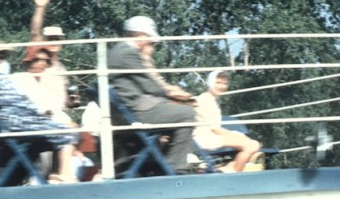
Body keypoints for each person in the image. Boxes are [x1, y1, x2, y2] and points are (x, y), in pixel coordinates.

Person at [0, 7, 79, 183]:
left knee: (65, 131)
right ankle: (64, 175)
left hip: (25, 117)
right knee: (64, 132)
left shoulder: (4, 78)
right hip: (16, 121)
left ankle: (60, 175)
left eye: (0, 56)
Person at [108, 15, 197, 175]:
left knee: (176, 112)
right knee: (187, 114)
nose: (150, 43)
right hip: (137, 112)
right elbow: (151, 86)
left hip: (129, 111)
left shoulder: (118, 51)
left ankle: (165, 164)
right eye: (149, 38)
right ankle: (176, 169)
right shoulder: (128, 53)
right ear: (140, 34)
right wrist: (175, 93)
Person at [193, 71, 261, 173]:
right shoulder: (205, 100)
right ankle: (233, 170)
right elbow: (214, 129)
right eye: (218, 82)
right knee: (252, 145)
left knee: (252, 143)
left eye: (224, 84)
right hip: (205, 139)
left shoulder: (210, 100)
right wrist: (238, 137)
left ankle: (229, 167)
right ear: (210, 83)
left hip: (210, 137)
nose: (222, 86)